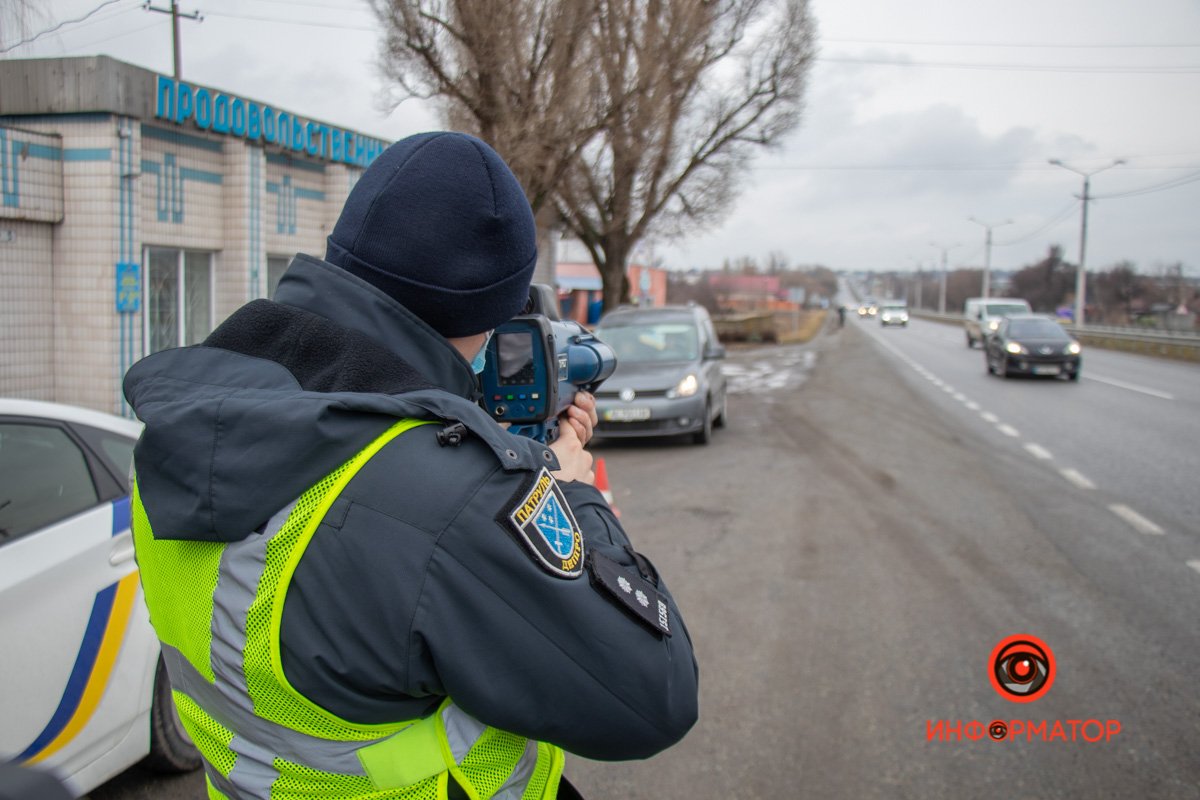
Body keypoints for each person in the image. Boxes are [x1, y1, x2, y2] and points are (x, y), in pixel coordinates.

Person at [124, 132, 698, 800]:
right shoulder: (449, 502)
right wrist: (573, 498)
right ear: (485, 310)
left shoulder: (185, 433)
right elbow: (656, 694)